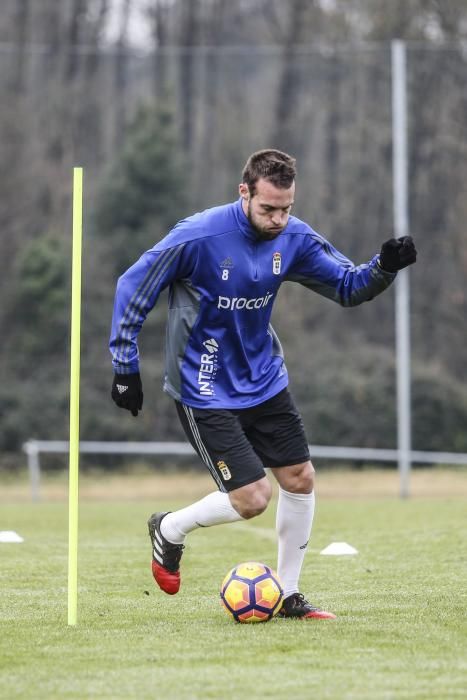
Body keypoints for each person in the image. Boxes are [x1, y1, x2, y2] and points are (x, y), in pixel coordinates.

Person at [109, 149, 417, 619]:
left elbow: (348, 287)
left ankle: (289, 594)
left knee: (301, 478)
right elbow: (133, 286)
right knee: (253, 498)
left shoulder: (293, 237)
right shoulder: (199, 235)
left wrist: (385, 267)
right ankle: (170, 528)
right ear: (244, 193)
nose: (278, 219)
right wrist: (125, 363)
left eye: (286, 208)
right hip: (204, 384)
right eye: (267, 208)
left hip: (264, 379)